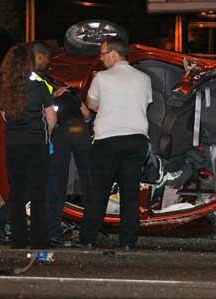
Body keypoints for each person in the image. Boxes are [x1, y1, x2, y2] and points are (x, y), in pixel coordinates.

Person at [80, 37, 152, 250]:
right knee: (129, 193)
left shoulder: (101, 77)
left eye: (102, 54)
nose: (101, 59)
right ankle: (128, 240)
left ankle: (89, 238)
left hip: (108, 140)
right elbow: (145, 103)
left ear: (112, 53)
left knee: (98, 191)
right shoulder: (144, 78)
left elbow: (92, 104)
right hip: (136, 139)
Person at [30, 42, 93, 247]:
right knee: (87, 179)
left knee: (56, 181)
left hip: (60, 132)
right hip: (78, 130)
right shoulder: (53, 84)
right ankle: (88, 231)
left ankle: (54, 231)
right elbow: (86, 114)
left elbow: (47, 113)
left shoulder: (43, 81)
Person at [0, 43, 57, 249]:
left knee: (16, 192)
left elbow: (5, 116)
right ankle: (40, 240)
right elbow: (51, 117)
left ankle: (18, 239)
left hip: (14, 144)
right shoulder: (39, 86)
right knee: (38, 192)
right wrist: (46, 134)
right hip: (36, 143)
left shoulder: (5, 88)